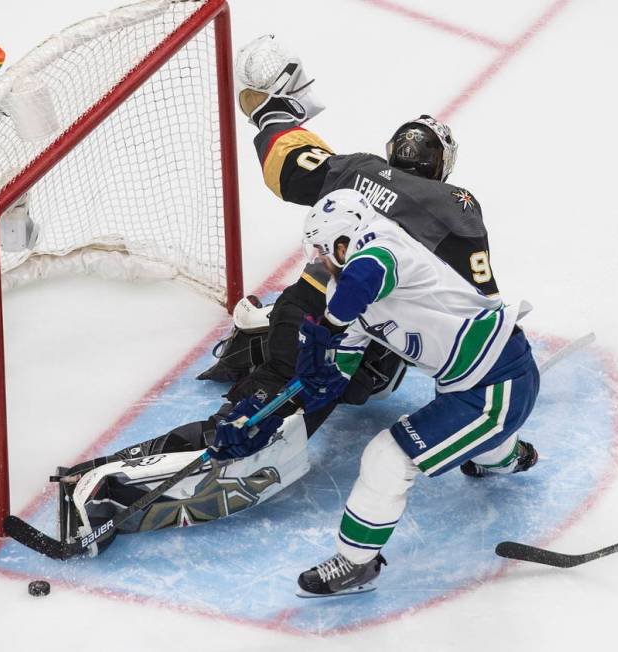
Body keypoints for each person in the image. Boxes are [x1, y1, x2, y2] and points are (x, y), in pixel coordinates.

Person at [49, 35, 528, 548]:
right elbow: (478, 299)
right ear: (441, 164)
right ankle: (108, 486)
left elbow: (290, 165)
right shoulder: (452, 202)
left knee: (356, 378)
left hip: (314, 308)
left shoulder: (358, 168)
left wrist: (271, 112)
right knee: (261, 428)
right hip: (332, 323)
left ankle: (258, 343)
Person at [256, 189, 540, 597]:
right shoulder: (342, 293)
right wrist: (280, 406)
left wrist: (330, 325)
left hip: (498, 382)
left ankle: (355, 564)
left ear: (345, 239)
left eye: (323, 250)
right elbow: (335, 374)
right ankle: (510, 457)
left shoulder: (385, 245)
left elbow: (366, 278)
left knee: (386, 458)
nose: (318, 261)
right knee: (480, 447)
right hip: (463, 383)